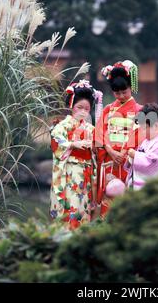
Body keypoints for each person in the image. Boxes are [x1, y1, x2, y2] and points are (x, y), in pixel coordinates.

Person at [95, 60, 143, 217]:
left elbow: (141, 135)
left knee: (127, 200)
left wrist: (125, 152)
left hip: (128, 161)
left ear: (131, 88)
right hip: (110, 160)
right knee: (109, 198)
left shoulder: (140, 111)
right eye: (117, 93)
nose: (121, 96)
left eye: (124, 91)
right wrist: (109, 149)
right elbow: (99, 132)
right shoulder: (108, 110)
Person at [50, 79, 98, 230]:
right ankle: (67, 235)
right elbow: (56, 140)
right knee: (72, 206)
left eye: (86, 109)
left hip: (86, 172)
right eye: (79, 107)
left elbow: (98, 147)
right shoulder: (62, 126)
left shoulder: (90, 128)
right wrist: (72, 144)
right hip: (70, 170)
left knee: (84, 207)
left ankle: (81, 237)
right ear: (72, 106)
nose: (83, 112)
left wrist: (94, 147)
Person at [125, 103, 158, 190]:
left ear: (155, 126)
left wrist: (135, 155)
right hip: (141, 186)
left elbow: (151, 162)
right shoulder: (146, 142)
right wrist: (130, 159)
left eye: (144, 128)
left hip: (154, 188)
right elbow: (139, 158)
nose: (143, 131)